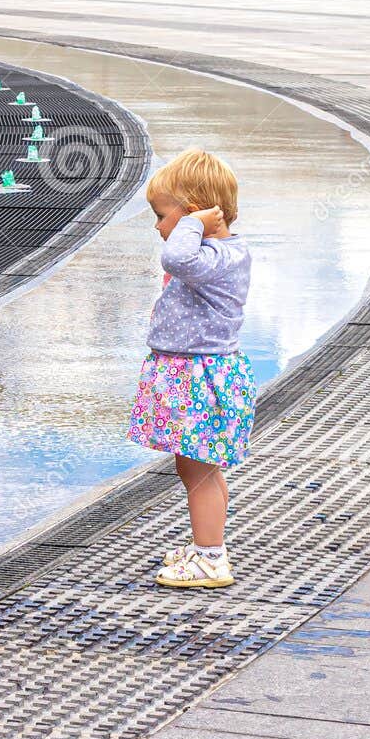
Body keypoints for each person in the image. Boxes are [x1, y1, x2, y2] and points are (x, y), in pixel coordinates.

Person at [128, 148, 254, 591]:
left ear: (197, 215)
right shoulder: (215, 254)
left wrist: (190, 225)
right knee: (200, 469)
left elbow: (176, 260)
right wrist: (193, 225)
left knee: (198, 470)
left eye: (163, 216)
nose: (159, 227)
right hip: (195, 375)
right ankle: (209, 548)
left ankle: (210, 559)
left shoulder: (216, 257)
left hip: (199, 379)